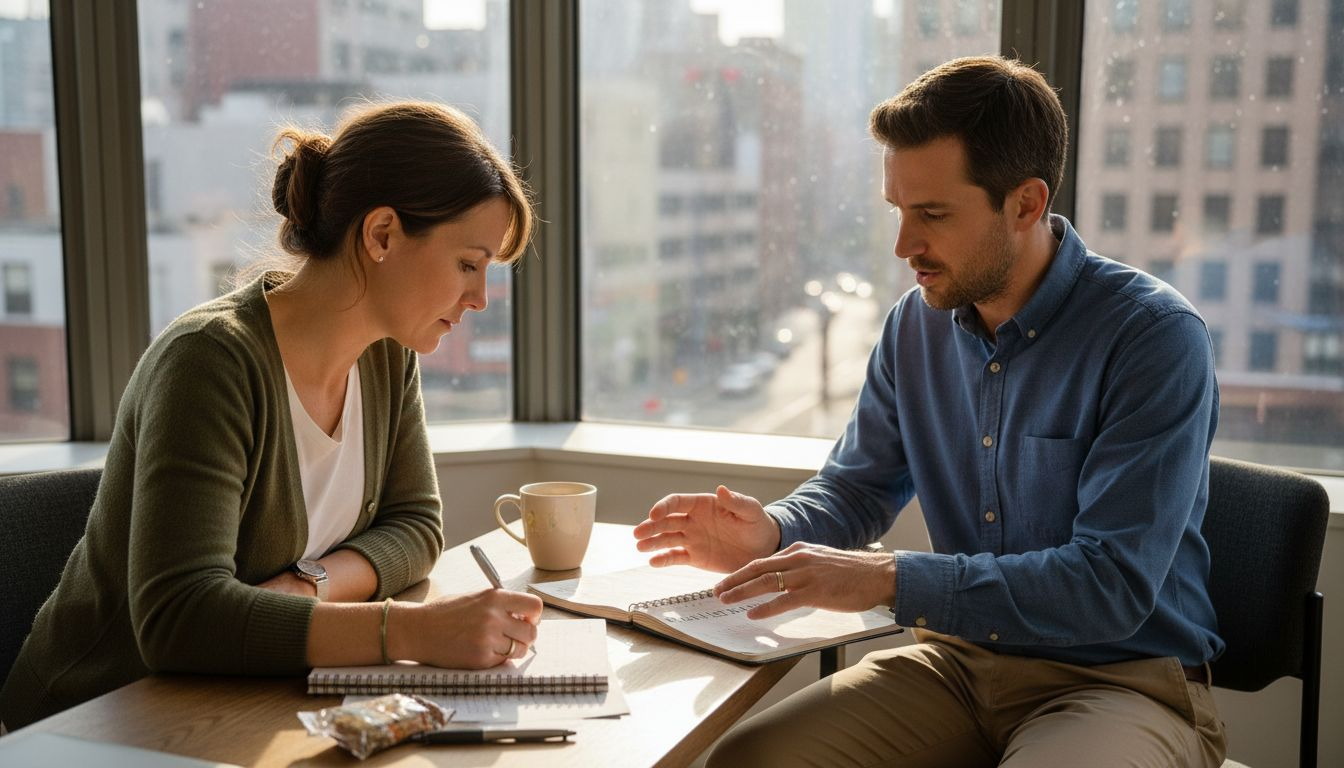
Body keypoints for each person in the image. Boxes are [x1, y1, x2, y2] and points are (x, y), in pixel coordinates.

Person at [635, 56, 1226, 767]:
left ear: (1025, 204)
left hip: (1119, 683)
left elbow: (1110, 585)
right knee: (750, 760)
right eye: (898, 210)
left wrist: (888, 579)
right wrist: (774, 530)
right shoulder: (913, 326)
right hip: (959, 666)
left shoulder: (1152, 337)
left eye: (934, 215)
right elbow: (856, 488)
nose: (903, 246)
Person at [0, 101, 543, 731]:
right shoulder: (209, 361)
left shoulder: (386, 356)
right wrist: (412, 630)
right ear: (381, 234)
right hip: (90, 723)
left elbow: (416, 527)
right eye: (468, 264)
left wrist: (309, 585)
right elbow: (180, 619)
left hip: (231, 706)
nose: (479, 298)